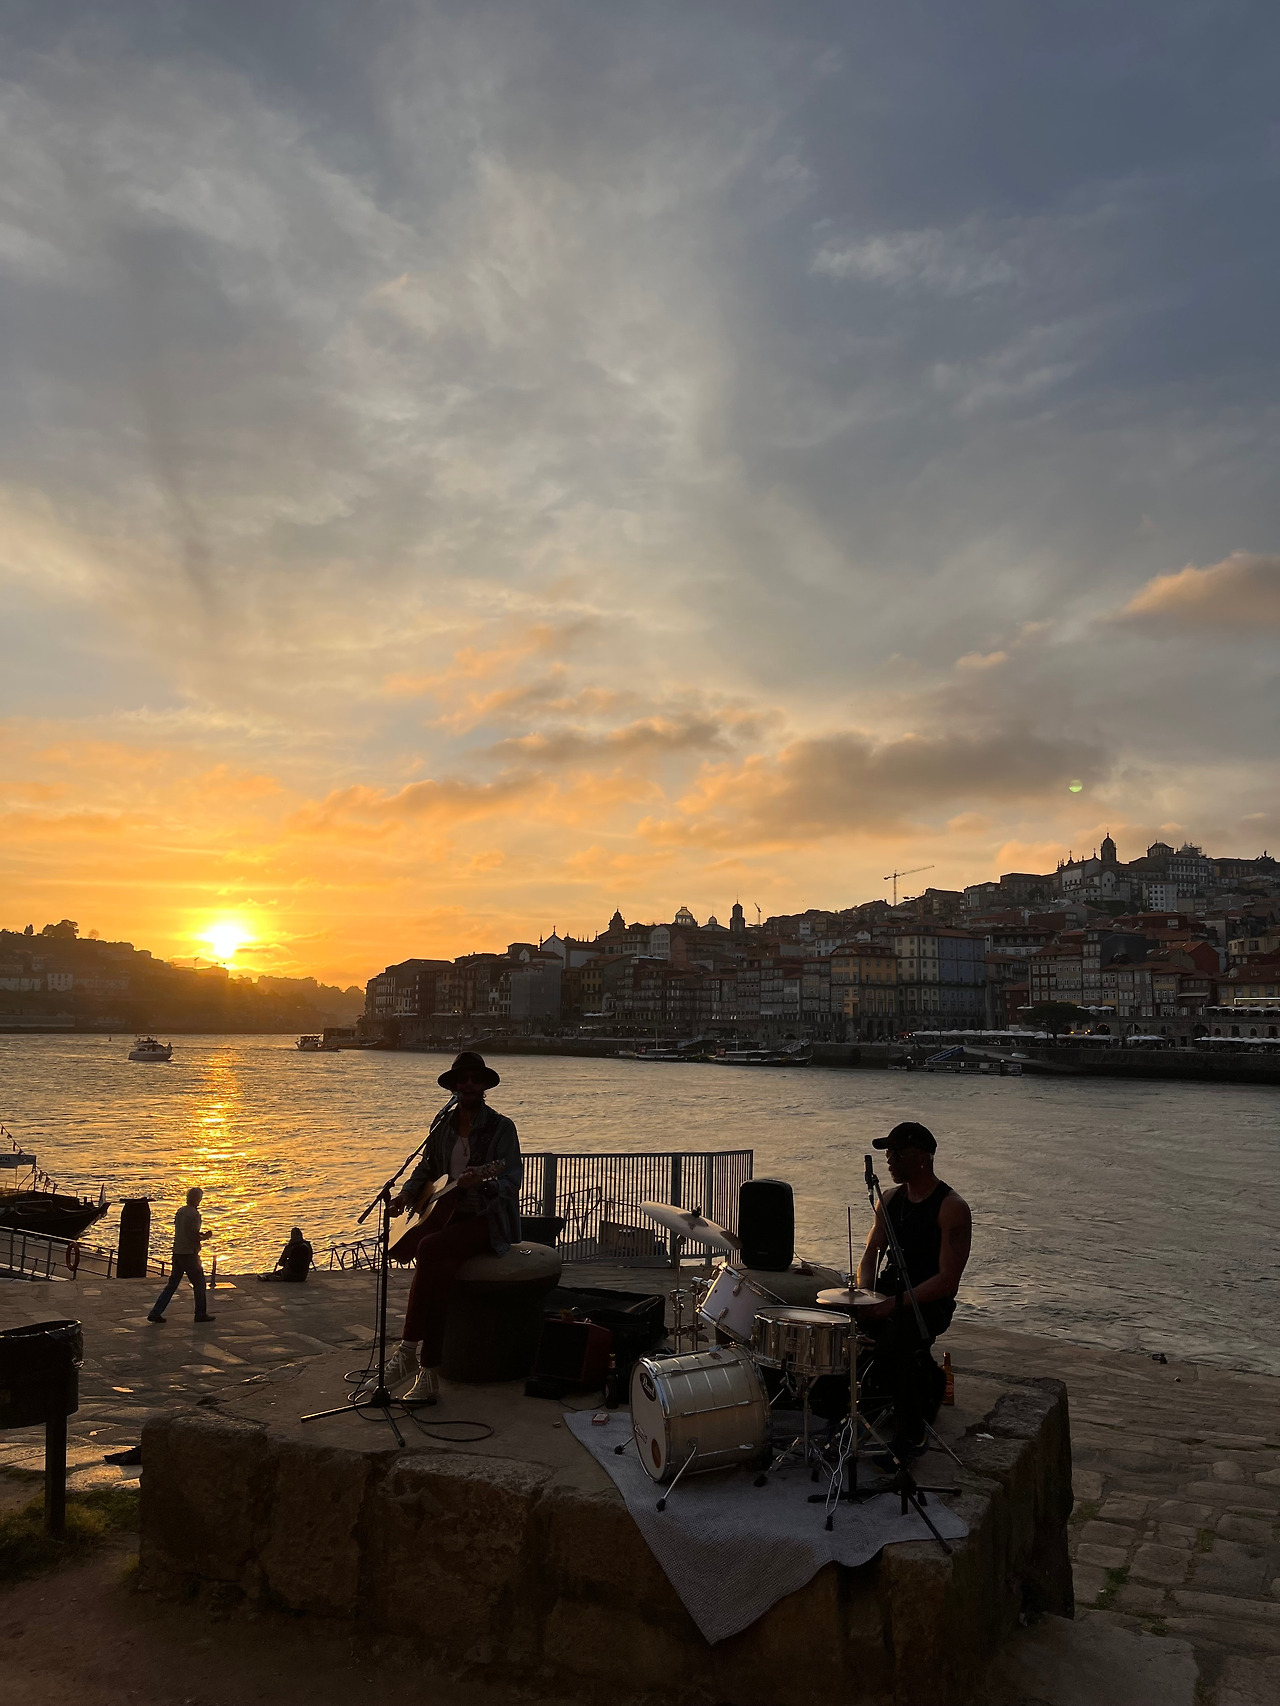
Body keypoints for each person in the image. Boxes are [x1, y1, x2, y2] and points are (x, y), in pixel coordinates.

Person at [383, 1051, 522, 1405]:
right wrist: (406, 1195)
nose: (469, 1084)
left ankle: (407, 1352)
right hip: (446, 1219)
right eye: (463, 1079)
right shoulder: (442, 1124)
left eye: (475, 1079)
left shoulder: (502, 1128)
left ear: (484, 1085)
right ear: (454, 1086)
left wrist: (484, 1182)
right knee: (439, 1270)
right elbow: (427, 1168)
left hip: (486, 1221)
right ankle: (428, 1373)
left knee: (429, 1248)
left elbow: (511, 1181)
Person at [856, 1121, 971, 1459]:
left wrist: (891, 1305)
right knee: (832, 1322)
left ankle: (911, 1435)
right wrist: (864, 1294)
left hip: (928, 1302)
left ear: (922, 1158)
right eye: (888, 1154)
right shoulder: (890, 1200)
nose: (889, 1161)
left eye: (896, 1154)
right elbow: (871, 1254)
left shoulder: (951, 1207)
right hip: (890, 1292)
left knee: (896, 1342)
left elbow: (948, 1280)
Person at [147, 1187, 216, 1324]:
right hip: (189, 1254)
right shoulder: (194, 1214)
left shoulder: (181, 1211)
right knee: (199, 1284)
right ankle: (200, 1314)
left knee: (172, 1285)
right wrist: (206, 1237)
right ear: (198, 1199)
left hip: (177, 1251)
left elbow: (184, 1231)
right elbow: (193, 1236)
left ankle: (155, 1312)